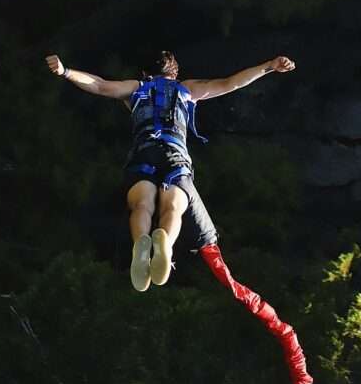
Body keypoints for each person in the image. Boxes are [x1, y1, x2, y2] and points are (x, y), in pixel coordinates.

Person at [45, 50, 296, 291]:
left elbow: (98, 85)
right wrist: (269, 66)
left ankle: (141, 241)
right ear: (174, 73)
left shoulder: (135, 88)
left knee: (142, 205)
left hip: (143, 154)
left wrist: (66, 71)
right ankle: (164, 240)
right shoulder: (186, 89)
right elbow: (231, 83)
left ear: (146, 73)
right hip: (175, 157)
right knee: (173, 207)